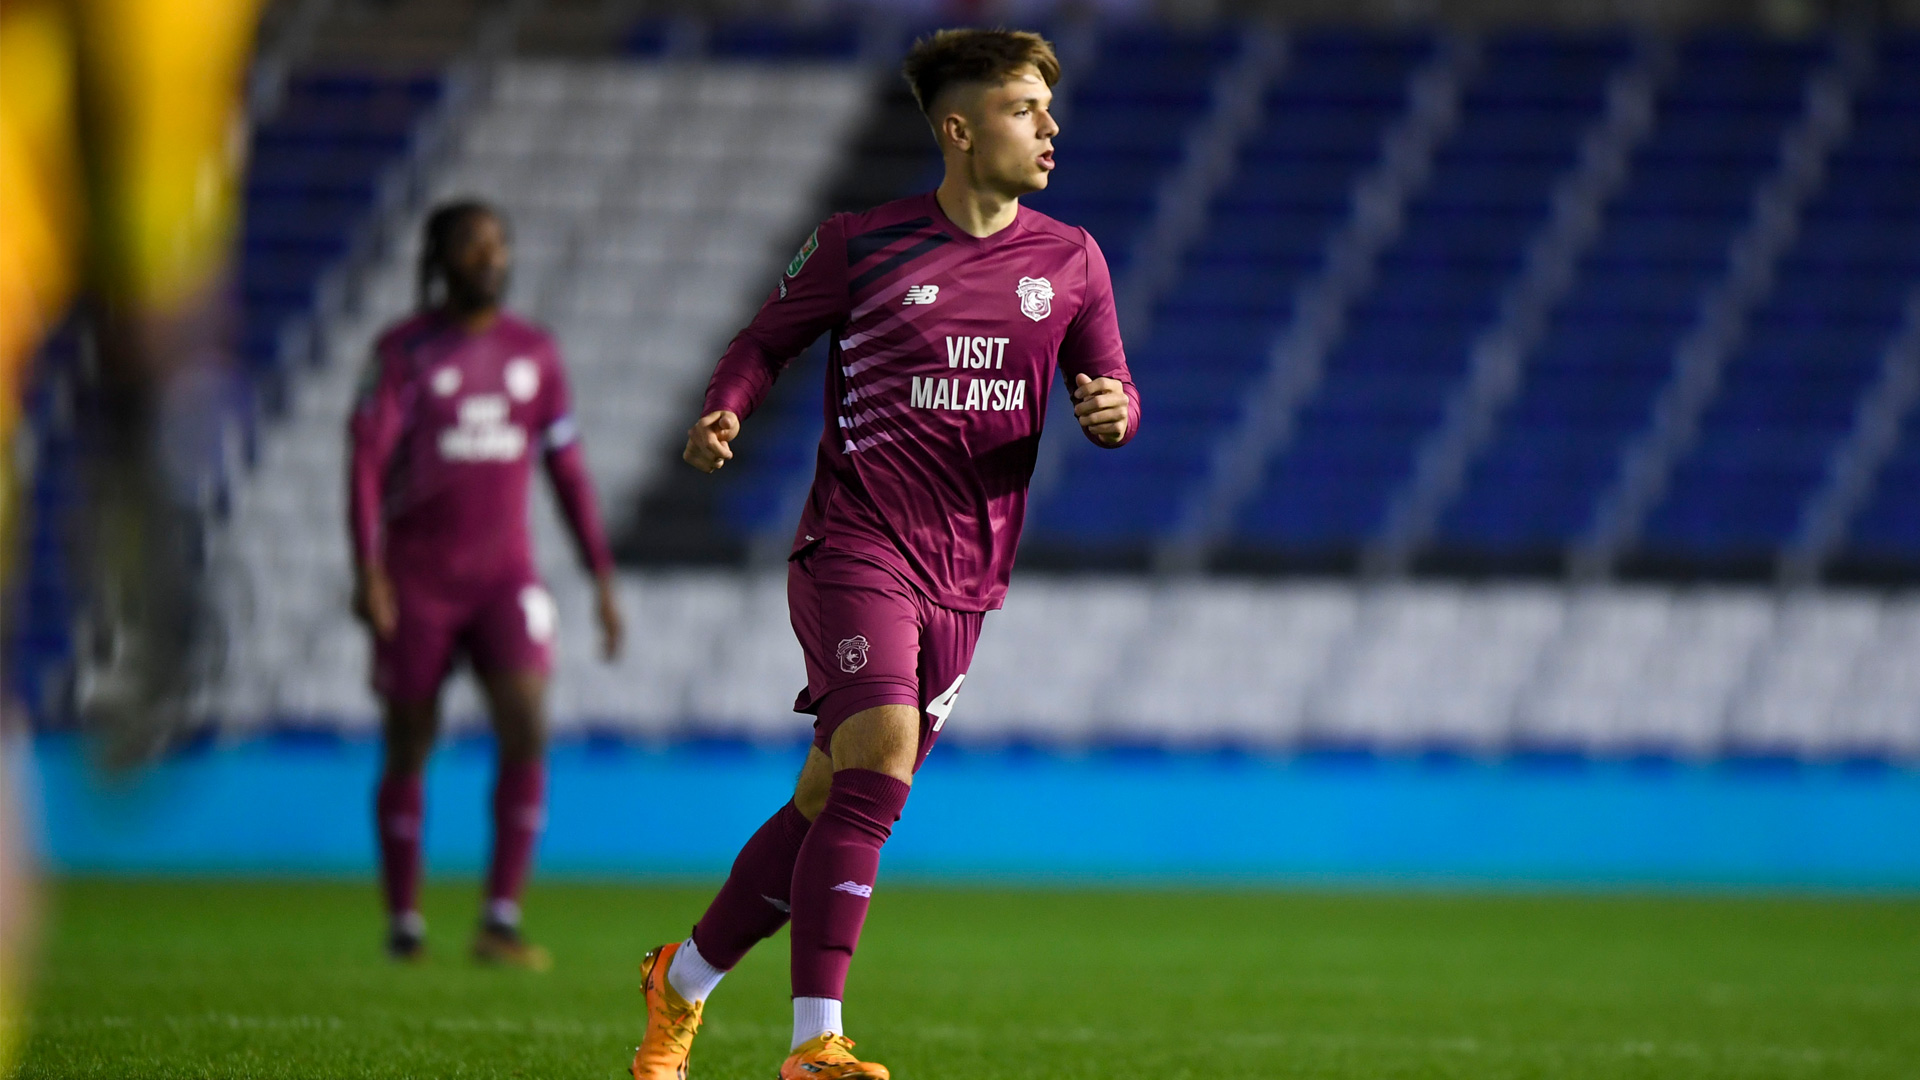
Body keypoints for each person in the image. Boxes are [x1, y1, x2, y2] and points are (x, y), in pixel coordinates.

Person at [626, 27, 1140, 1080]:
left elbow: (1117, 389)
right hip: (855, 545)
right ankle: (816, 1041)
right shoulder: (864, 243)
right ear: (958, 128)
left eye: (1049, 107)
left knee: (832, 799)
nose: (1050, 126)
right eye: (1022, 108)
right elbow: (765, 337)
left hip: (968, 579)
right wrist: (723, 410)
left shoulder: (1072, 260)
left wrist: (1110, 411)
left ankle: (679, 983)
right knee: (886, 758)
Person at [348, 200, 624, 968]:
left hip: (506, 578)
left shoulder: (534, 353)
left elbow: (566, 471)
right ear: (439, 261)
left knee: (527, 724)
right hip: (417, 578)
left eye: (498, 245)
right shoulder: (403, 354)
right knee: (409, 741)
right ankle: (405, 922)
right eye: (472, 246)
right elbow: (366, 462)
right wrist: (366, 566)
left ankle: (499, 919)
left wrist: (600, 574)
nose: (490, 258)